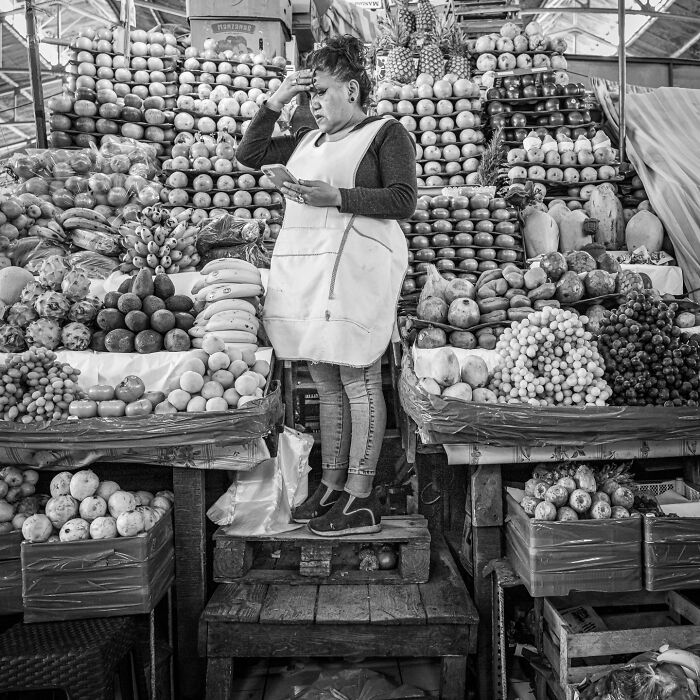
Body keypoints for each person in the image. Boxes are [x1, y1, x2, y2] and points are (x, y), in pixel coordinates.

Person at [236, 35, 417, 537]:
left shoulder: (385, 133)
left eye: (322, 92)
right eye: (307, 95)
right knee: (327, 382)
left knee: (359, 381)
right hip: (310, 274)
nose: (313, 103)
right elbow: (248, 153)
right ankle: (333, 486)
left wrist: (335, 196)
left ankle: (361, 498)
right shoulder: (305, 141)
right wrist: (275, 101)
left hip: (356, 274)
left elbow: (403, 201)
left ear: (353, 89)